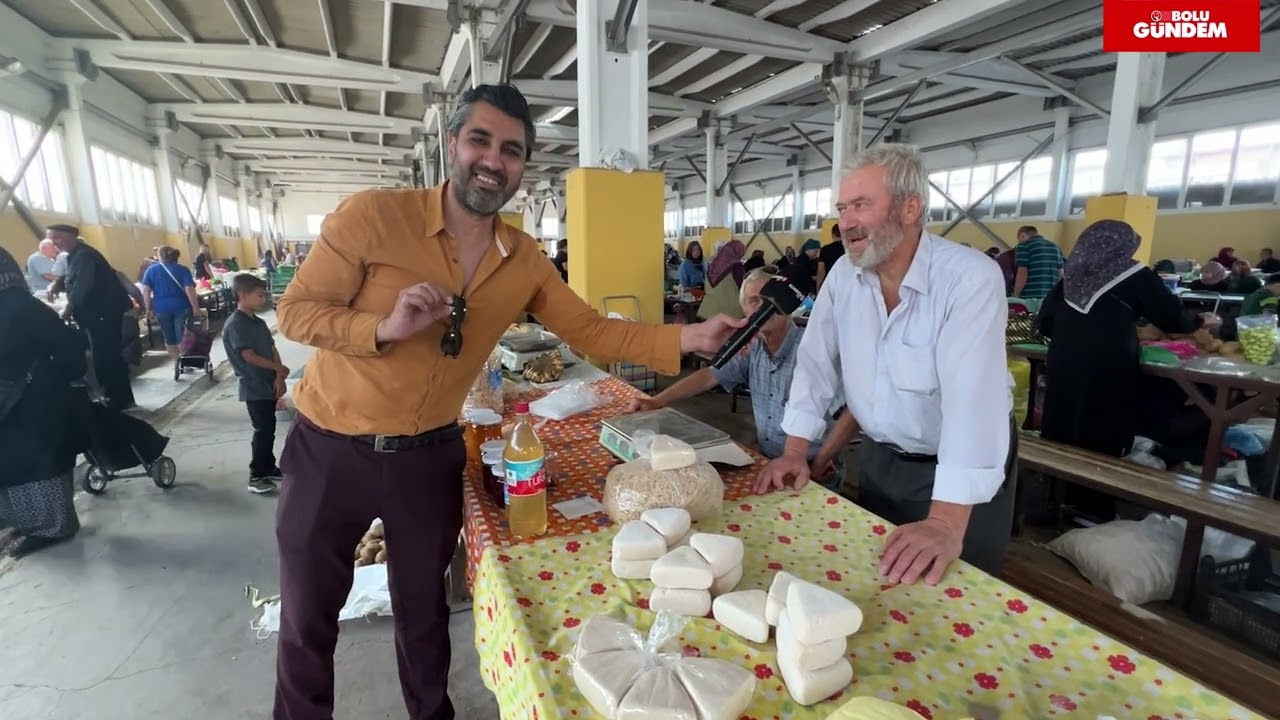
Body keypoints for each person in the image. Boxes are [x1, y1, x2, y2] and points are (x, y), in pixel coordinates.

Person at [271, 83, 742, 720]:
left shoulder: (522, 259)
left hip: (428, 458)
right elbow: (296, 313)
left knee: (424, 615)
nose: (493, 160)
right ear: (451, 145)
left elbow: (592, 331)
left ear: (524, 166)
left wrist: (688, 336)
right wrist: (380, 328)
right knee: (307, 617)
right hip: (330, 449)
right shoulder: (373, 217)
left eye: (512, 150)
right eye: (480, 141)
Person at [755, 143, 1017, 586]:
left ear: (910, 207)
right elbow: (815, 363)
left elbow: (972, 402)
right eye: (842, 207)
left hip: (957, 476)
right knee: (877, 583)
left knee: (952, 596)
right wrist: (796, 451)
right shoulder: (843, 275)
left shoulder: (968, 279)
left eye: (861, 205)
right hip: (880, 461)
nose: (846, 221)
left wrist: (946, 524)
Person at [1037, 220, 1216, 516]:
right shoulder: (1133, 274)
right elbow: (1172, 317)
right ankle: (1092, 508)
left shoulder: (1072, 277)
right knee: (1101, 428)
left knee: (1062, 424)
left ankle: (1053, 500)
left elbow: (1044, 322)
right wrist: (1201, 321)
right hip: (1109, 363)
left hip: (1064, 361)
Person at [630, 268, 847, 489]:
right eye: (754, 301)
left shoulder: (814, 348)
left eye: (770, 299)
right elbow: (709, 375)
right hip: (769, 464)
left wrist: (821, 460)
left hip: (813, 470)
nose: (764, 307)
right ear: (744, 309)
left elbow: (851, 412)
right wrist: (658, 400)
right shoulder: (752, 349)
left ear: (788, 304)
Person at [0, 246, 88, 558]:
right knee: (28, 463)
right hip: (31, 396)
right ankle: (34, 524)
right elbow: (68, 346)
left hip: (31, 400)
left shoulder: (17, 306)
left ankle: (50, 528)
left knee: (36, 464)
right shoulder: (22, 304)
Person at [46, 224, 135, 411]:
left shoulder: (85, 255)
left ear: (71, 236)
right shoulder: (76, 256)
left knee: (107, 355)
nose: (53, 243)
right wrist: (57, 284)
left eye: (56, 238)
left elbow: (82, 284)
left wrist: (69, 308)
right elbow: (71, 278)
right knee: (106, 354)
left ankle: (117, 397)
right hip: (97, 315)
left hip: (103, 315)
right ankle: (118, 396)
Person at [223, 273, 288, 495]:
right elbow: (249, 356)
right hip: (253, 385)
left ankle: (268, 466)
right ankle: (256, 474)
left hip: (268, 382)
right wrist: (277, 369)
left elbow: (271, 349)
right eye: (259, 295)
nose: (264, 299)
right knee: (262, 429)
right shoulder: (236, 324)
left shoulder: (258, 323)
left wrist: (279, 376)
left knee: (269, 428)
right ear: (242, 295)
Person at [141, 246, 202, 359]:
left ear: (160, 256)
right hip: (182, 306)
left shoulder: (151, 270)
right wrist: (195, 308)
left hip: (161, 308)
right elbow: (190, 289)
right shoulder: (182, 269)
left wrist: (148, 308)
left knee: (168, 336)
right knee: (182, 335)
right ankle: (184, 361)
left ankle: (176, 361)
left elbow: (146, 292)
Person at [1011, 225, 1063, 306]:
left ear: (1022, 235)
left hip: (1030, 299)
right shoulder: (1055, 247)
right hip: (1050, 298)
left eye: (1019, 239)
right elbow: (1060, 275)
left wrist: (1015, 296)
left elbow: (1022, 273)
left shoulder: (1024, 246)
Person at [697, 239, 747, 320]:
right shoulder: (737, 266)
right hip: (730, 311)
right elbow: (743, 287)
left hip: (708, 309)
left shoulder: (713, 264)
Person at [816, 224, 845, 290]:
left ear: (833, 235)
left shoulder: (825, 249)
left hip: (829, 284)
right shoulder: (849, 249)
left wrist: (818, 291)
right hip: (845, 285)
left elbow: (821, 273)